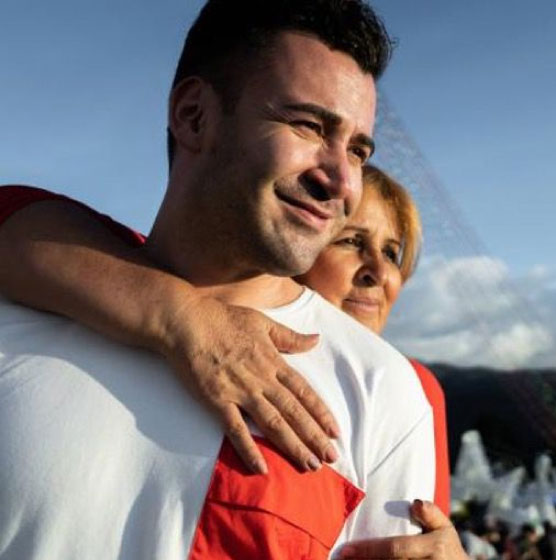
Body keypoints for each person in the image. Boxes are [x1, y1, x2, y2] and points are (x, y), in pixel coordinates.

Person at [0, 1, 447, 558]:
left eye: (357, 150)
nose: (341, 180)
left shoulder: (384, 393)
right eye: (308, 126)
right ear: (193, 116)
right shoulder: (25, 292)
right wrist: (178, 315)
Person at [0, 166, 461, 558]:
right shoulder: (134, 283)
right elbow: (17, 214)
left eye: (392, 252)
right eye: (351, 241)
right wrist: (184, 316)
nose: (378, 272)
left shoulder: (411, 391)